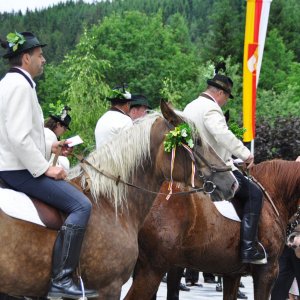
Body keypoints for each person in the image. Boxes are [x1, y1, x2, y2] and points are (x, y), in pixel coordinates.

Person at [0, 31, 98, 298]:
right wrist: (46, 168)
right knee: (81, 205)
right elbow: (19, 139)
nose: (44, 60)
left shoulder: (10, 82)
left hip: (11, 166)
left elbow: (17, 135)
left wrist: (50, 147)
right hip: (19, 171)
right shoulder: (20, 86)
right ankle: (61, 278)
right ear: (26, 57)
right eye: (40, 55)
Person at [183, 72, 266, 264]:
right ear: (220, 93)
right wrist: (245, 154)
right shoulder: (211, 108)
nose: (226, 102)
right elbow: (221, 134)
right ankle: (248, 248)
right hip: (214, 171)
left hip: (193, 168)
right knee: (255, 194)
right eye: (227, 97)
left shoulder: (190, 106)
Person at [44, 105, 72, 172]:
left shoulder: (44, 131)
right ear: (58, 124)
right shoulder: (51, 136)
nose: (65, 131)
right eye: (64, 128)